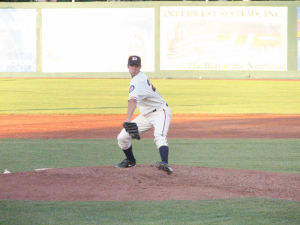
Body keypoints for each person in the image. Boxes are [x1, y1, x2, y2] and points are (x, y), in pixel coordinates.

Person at [116, 55, 173, 174]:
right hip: (146, 115)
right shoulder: (138, 78)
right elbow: (134, 100)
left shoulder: (138, 80)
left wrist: (128, 120)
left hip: (160, 112)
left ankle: (165, 163)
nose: (134, 68)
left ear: (140, 67)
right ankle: (130, 160)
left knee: (159, 136)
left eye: (137, 66)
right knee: (122, 138)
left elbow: (132, 101)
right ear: (128, 67)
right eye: (132, 65)